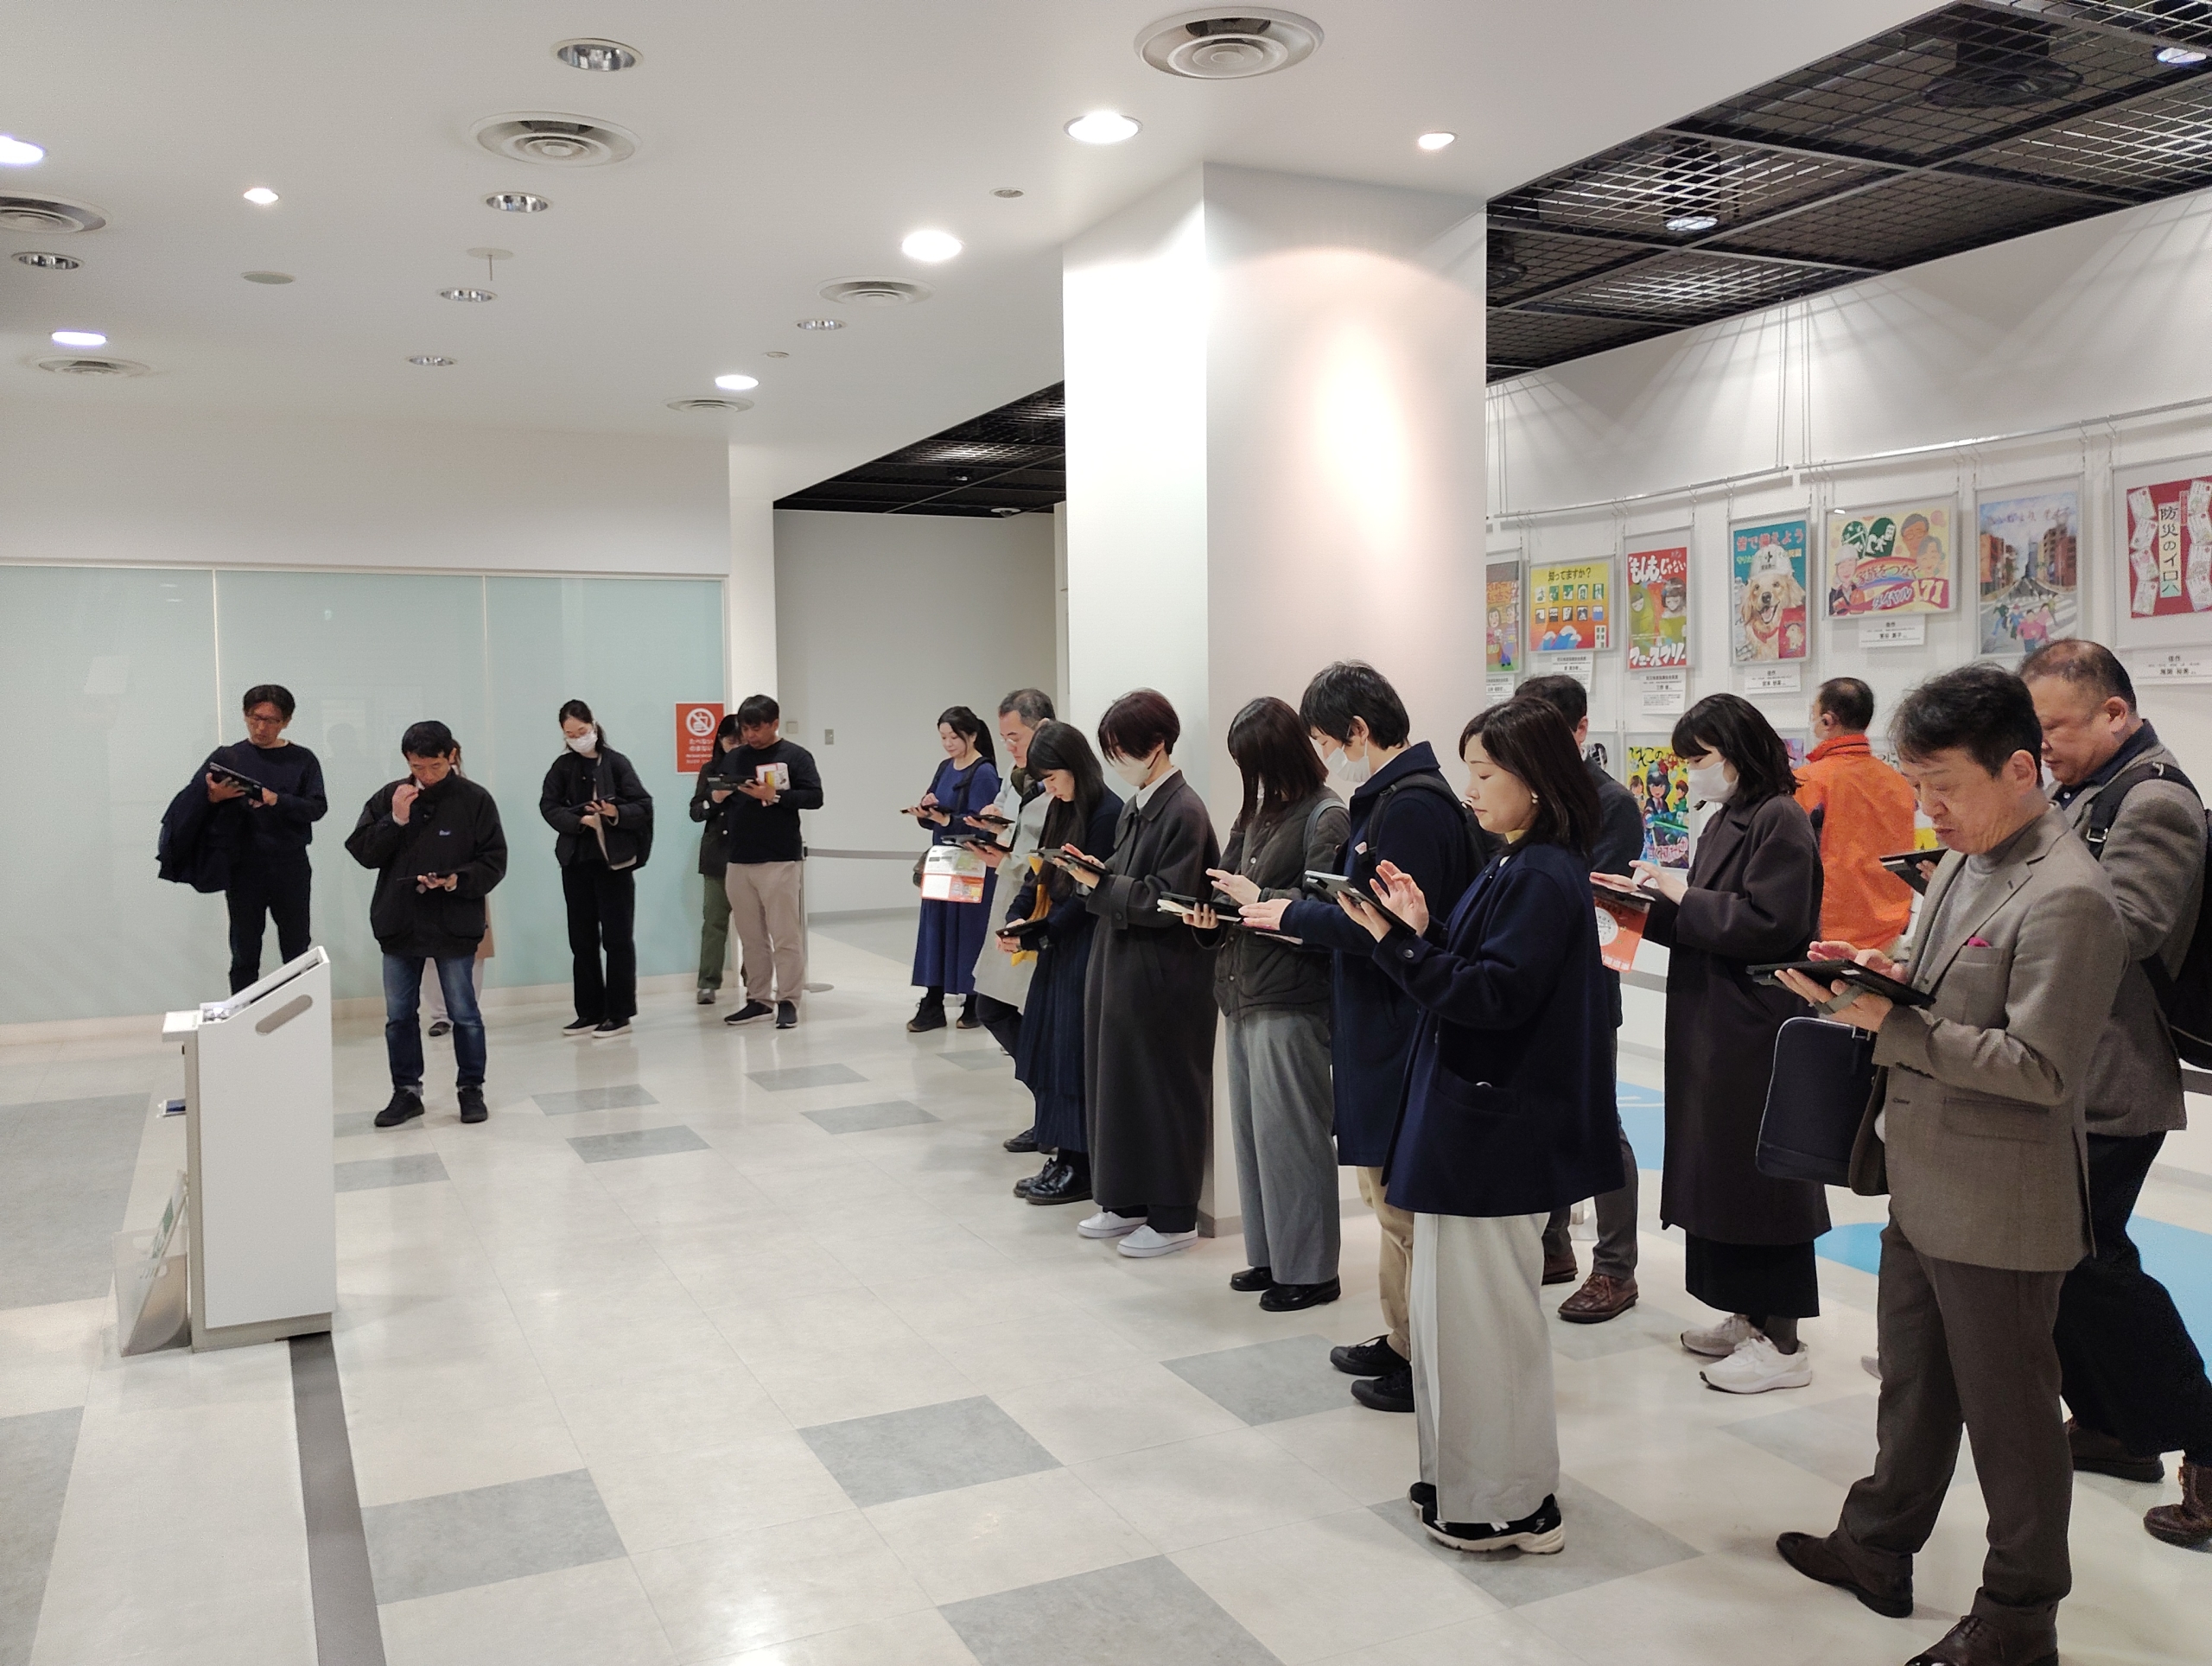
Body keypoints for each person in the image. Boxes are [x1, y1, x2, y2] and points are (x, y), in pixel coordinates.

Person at [1773, 664, 2129, 1666]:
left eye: (1942, 786)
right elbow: (1948, 992)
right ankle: (1876, 1542)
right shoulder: (1969, 858)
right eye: (1917, 785)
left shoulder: (2068, 893)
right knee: (1914, 1387)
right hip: (1924, 1176)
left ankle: (2019, 1613)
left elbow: (2042, 1066)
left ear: (2018, 768)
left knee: (2011, 1423)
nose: (1927, 808)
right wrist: (1880, 977)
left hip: (1999, 1204)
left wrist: (1892, 1024)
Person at [1336, 699, 1620, 1554]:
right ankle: (1470, 1485)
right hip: (1474, 1126)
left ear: (1536, 780)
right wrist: (1419, 930)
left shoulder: (1540, 873)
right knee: (1457, 1327)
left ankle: (1510, 1503)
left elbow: (1494, 995)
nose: (1472, 789)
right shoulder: (1517, 861)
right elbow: (1479, 970)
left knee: (1486, 1329)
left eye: (1486, 773)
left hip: (1497, 1135)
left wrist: (1397, 944)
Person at [1245, 662, 1481, 1413]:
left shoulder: (1412, 807)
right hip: (1378, 1019)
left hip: (1400, 1026)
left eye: (1326, 739)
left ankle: (1422, 1355)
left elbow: (1381, 924)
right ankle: (1403, 1336)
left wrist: (1291, 914)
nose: (1324, 755)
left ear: (1358, 729)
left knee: (1401, 1204)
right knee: (1385, 1200)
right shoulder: (1387, 799)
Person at [2022, 639, 2212, 1548]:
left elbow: (2128, 926)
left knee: (2091, 1261)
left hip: (2116, 1077)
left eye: (2055, 727)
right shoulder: (2087, 791)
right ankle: (2111, 1425)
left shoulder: (2156, 799)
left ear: (2114, 712)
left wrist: (2011, 910)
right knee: (2064, 1259)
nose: (2043, 746)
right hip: (2071, 1068)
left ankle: (2205, 1442)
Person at [1606, 693, 1825, 1394]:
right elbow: (1703, 921)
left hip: (1755, 1025)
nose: (1692, 771)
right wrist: (1638, 906)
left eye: (1699, 758)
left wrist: (1681, 894)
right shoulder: (1727, 817)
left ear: (1737, 751)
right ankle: (1746, 1315)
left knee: (1763, 1180)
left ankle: (1782, 1340)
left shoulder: (1780, 817)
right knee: (1720, 1172)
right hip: (1713, 1018)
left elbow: (1771, 923)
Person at [1189, 696, 1350, 1310]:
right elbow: (1226, 888)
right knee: (1255, 1138)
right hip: (1240, 991)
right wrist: (1207, 914)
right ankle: (1270, 1257)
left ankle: (1311, 1271)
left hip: (1292, 998)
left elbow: (1329, 912)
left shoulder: (1327, 816)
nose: (1248, 775)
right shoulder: (1256, 813)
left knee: (1294, 1138)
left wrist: (1258, 895)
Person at [1058, 689, 1219, 1257]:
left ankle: (1173, 1216)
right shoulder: (1137, 805)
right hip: (1121, 968)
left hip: (1163, 978)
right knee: (1118, 1087)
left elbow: (1170, 900)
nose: (1116, 761)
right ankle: (1125, 1202)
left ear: (1156, 744)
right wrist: (1096, 873)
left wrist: (1103, 884)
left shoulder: (1185, 811)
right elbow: (1127, 880)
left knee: (1162, 1093)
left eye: (1121, 749)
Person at [1517, 673, 1647, 1324]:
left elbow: (1603, 906)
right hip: (1525, 985)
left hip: (1588, 987)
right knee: (1540, 1117)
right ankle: (1552, 1246)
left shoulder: (1612, 803)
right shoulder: (1524, 794)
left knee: (1598, 1122)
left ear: (1579, 730)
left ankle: (1615, 1269)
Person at [344, 721, 507, 1128]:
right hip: (400, 921)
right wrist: (395, 820)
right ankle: (406, 1092)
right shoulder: (391, 796)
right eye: (418, 767)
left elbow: (494, 860)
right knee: (399, 1015)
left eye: (435, 766)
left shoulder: (475, 799)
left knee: (464, 1013)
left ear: (451, 755)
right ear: (407, 760)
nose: (427, 775)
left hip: (454, 921)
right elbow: (363, 852)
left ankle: (471, 1089)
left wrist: (455, 880)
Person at [1001, 721, 1122, 1205]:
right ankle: (1062, 1153)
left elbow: (1092, 893)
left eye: (1053, 778)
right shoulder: (1059, 806)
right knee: (1048, 1050)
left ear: (1075, 766)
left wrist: (1044, 929)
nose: (1050, 788)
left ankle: (1081, 1163)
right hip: (1057, 944)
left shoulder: (1106, 812)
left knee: (1073, 1055)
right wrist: (1018, 917)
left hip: (1086, 945)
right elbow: (1042, 873)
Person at [968, 690, 1054, 1151]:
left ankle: (1052, 1111)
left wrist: (1009, 856)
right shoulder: (1017, 777)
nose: (1010, 747)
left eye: (1016, 736)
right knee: (993, 1005)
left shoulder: (1058, 784)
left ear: (1043, 728)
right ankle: (1048, 1105)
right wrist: (995, 825)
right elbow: (1019, 830)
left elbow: (1051, 858)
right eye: (1004, 738)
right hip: (1011, 900)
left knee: (1017, 1011)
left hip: (1038, 911)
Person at [200, 684, 328, 991]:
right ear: (245, 715)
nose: (261, 727)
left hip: (290, 864)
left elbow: (316, 808)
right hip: (243, 865)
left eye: (271, 720)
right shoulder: (228, 757)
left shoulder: (302, 759)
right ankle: (242, 1014)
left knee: (297, 947)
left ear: (286, 721)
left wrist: (276, 800)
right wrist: (215, 798)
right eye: (255, 718)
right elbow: (195, 804)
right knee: (244, 948)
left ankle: (300, 1014)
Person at [539, 700, 653, 1040]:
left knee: (617, 940)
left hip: (613, 864)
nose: (578, 738)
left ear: (593, 725)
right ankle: (589, 1011)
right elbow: (548, 806)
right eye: (570, 734)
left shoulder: (617, 763)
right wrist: (579, 820)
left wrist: (613, 813)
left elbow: (642, 805)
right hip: (576, 862)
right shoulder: (562, 766)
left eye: (582, 731)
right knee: (582, 940)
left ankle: (619, 1013)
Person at [720, 694, 823, 1030]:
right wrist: (716, 795)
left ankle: (789, 999)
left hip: (779, 858)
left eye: (757, 728)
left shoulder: (794, 755)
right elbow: (716, 796)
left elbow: (815, 797)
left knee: (785, 935)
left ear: (774, 723)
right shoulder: (735, 757)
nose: (750, 735)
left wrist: (775, 795)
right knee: (750, 937)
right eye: (745, 729)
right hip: (739, 858)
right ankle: (758, 999)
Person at [1796, 677, 1918, 953]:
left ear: (1827, 721)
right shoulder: (1898, 782)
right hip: (1891, 932)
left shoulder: (1808, 782)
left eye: (1813, 713)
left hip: (1829, 938)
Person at [906, 706, 1001, 1033]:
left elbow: (985, 825)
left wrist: (948, 819)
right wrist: (927, 811)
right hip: (943, 860)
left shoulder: (983, 772)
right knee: (935, 929)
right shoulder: (945, 767)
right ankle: (932, 999)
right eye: (943, 737)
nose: (948, 744)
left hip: (971, 862)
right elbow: (935, 812)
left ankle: (973, 1001)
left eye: (953, 737)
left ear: (972, 736)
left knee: (969, 931)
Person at [690, 714, 744, 1004]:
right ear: (720, 741)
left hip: (749, 855)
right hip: (716, 856)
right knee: (713, 921)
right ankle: (708, 983)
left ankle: (755, 979)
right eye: (730, 741)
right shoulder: (710, 769)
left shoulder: (756, 769)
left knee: (753, 925)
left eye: (741, 742)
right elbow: (696, 811)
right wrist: (716, 799)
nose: (735, 747)